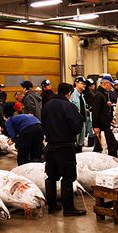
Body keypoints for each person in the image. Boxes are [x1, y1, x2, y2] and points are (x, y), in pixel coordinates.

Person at [41, 82, 86, 216]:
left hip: (50, 146)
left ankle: (52, 206)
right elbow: (76, 126)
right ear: (68, 93)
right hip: (65, 146)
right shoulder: (68, 106)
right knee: (67, 177)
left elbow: (43, 122)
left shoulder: (48, 105)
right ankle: (69, 209)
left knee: (51, 176)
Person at [91, 76, 118, 157]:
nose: (111, 87)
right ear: (105, 84)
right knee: (112, 145)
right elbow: (95, 111)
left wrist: (110, 118)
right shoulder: (99, 95)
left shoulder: (104, 94)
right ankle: (111, 160)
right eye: (110, 84)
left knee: (101, 145)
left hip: (104, 124)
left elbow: (103, 109)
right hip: (102, 125)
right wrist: (95, 126)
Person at [70, 76, 92, 147]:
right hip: (75, 123)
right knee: (75, 143)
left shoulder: (81, 95)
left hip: (82, 122)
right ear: (76, 83)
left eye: (84, 84)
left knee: (80, 143)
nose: (84, 85)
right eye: (82, 83)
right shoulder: (72, 94)